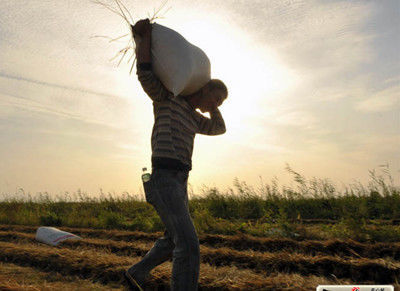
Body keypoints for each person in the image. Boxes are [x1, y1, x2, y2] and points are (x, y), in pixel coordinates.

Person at [124, 19, 227, 291]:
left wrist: (213, 107)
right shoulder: (168, 99)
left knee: (173, 240)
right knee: (189, 245)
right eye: (215, 99)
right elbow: (145, 74)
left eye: (219, 103)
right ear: (203, 89)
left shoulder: (194, 119)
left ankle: (135, 273)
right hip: (163, 179)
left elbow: (219, 128)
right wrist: (144, 39)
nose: (214, 106)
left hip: (179, 182)